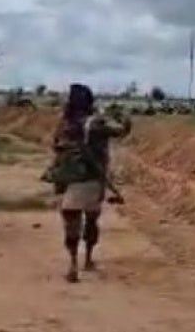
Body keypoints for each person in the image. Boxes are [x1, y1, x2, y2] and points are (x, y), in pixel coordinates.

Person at [51, 83, 131, 283]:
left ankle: (72, 264)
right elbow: (122, 131)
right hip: (91, 178)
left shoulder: (63, 123)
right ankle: (87, 259)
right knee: (91, 220)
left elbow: (55, 146)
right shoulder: (95, 123)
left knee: (70, 222)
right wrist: (122, 114)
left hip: (64, 177)